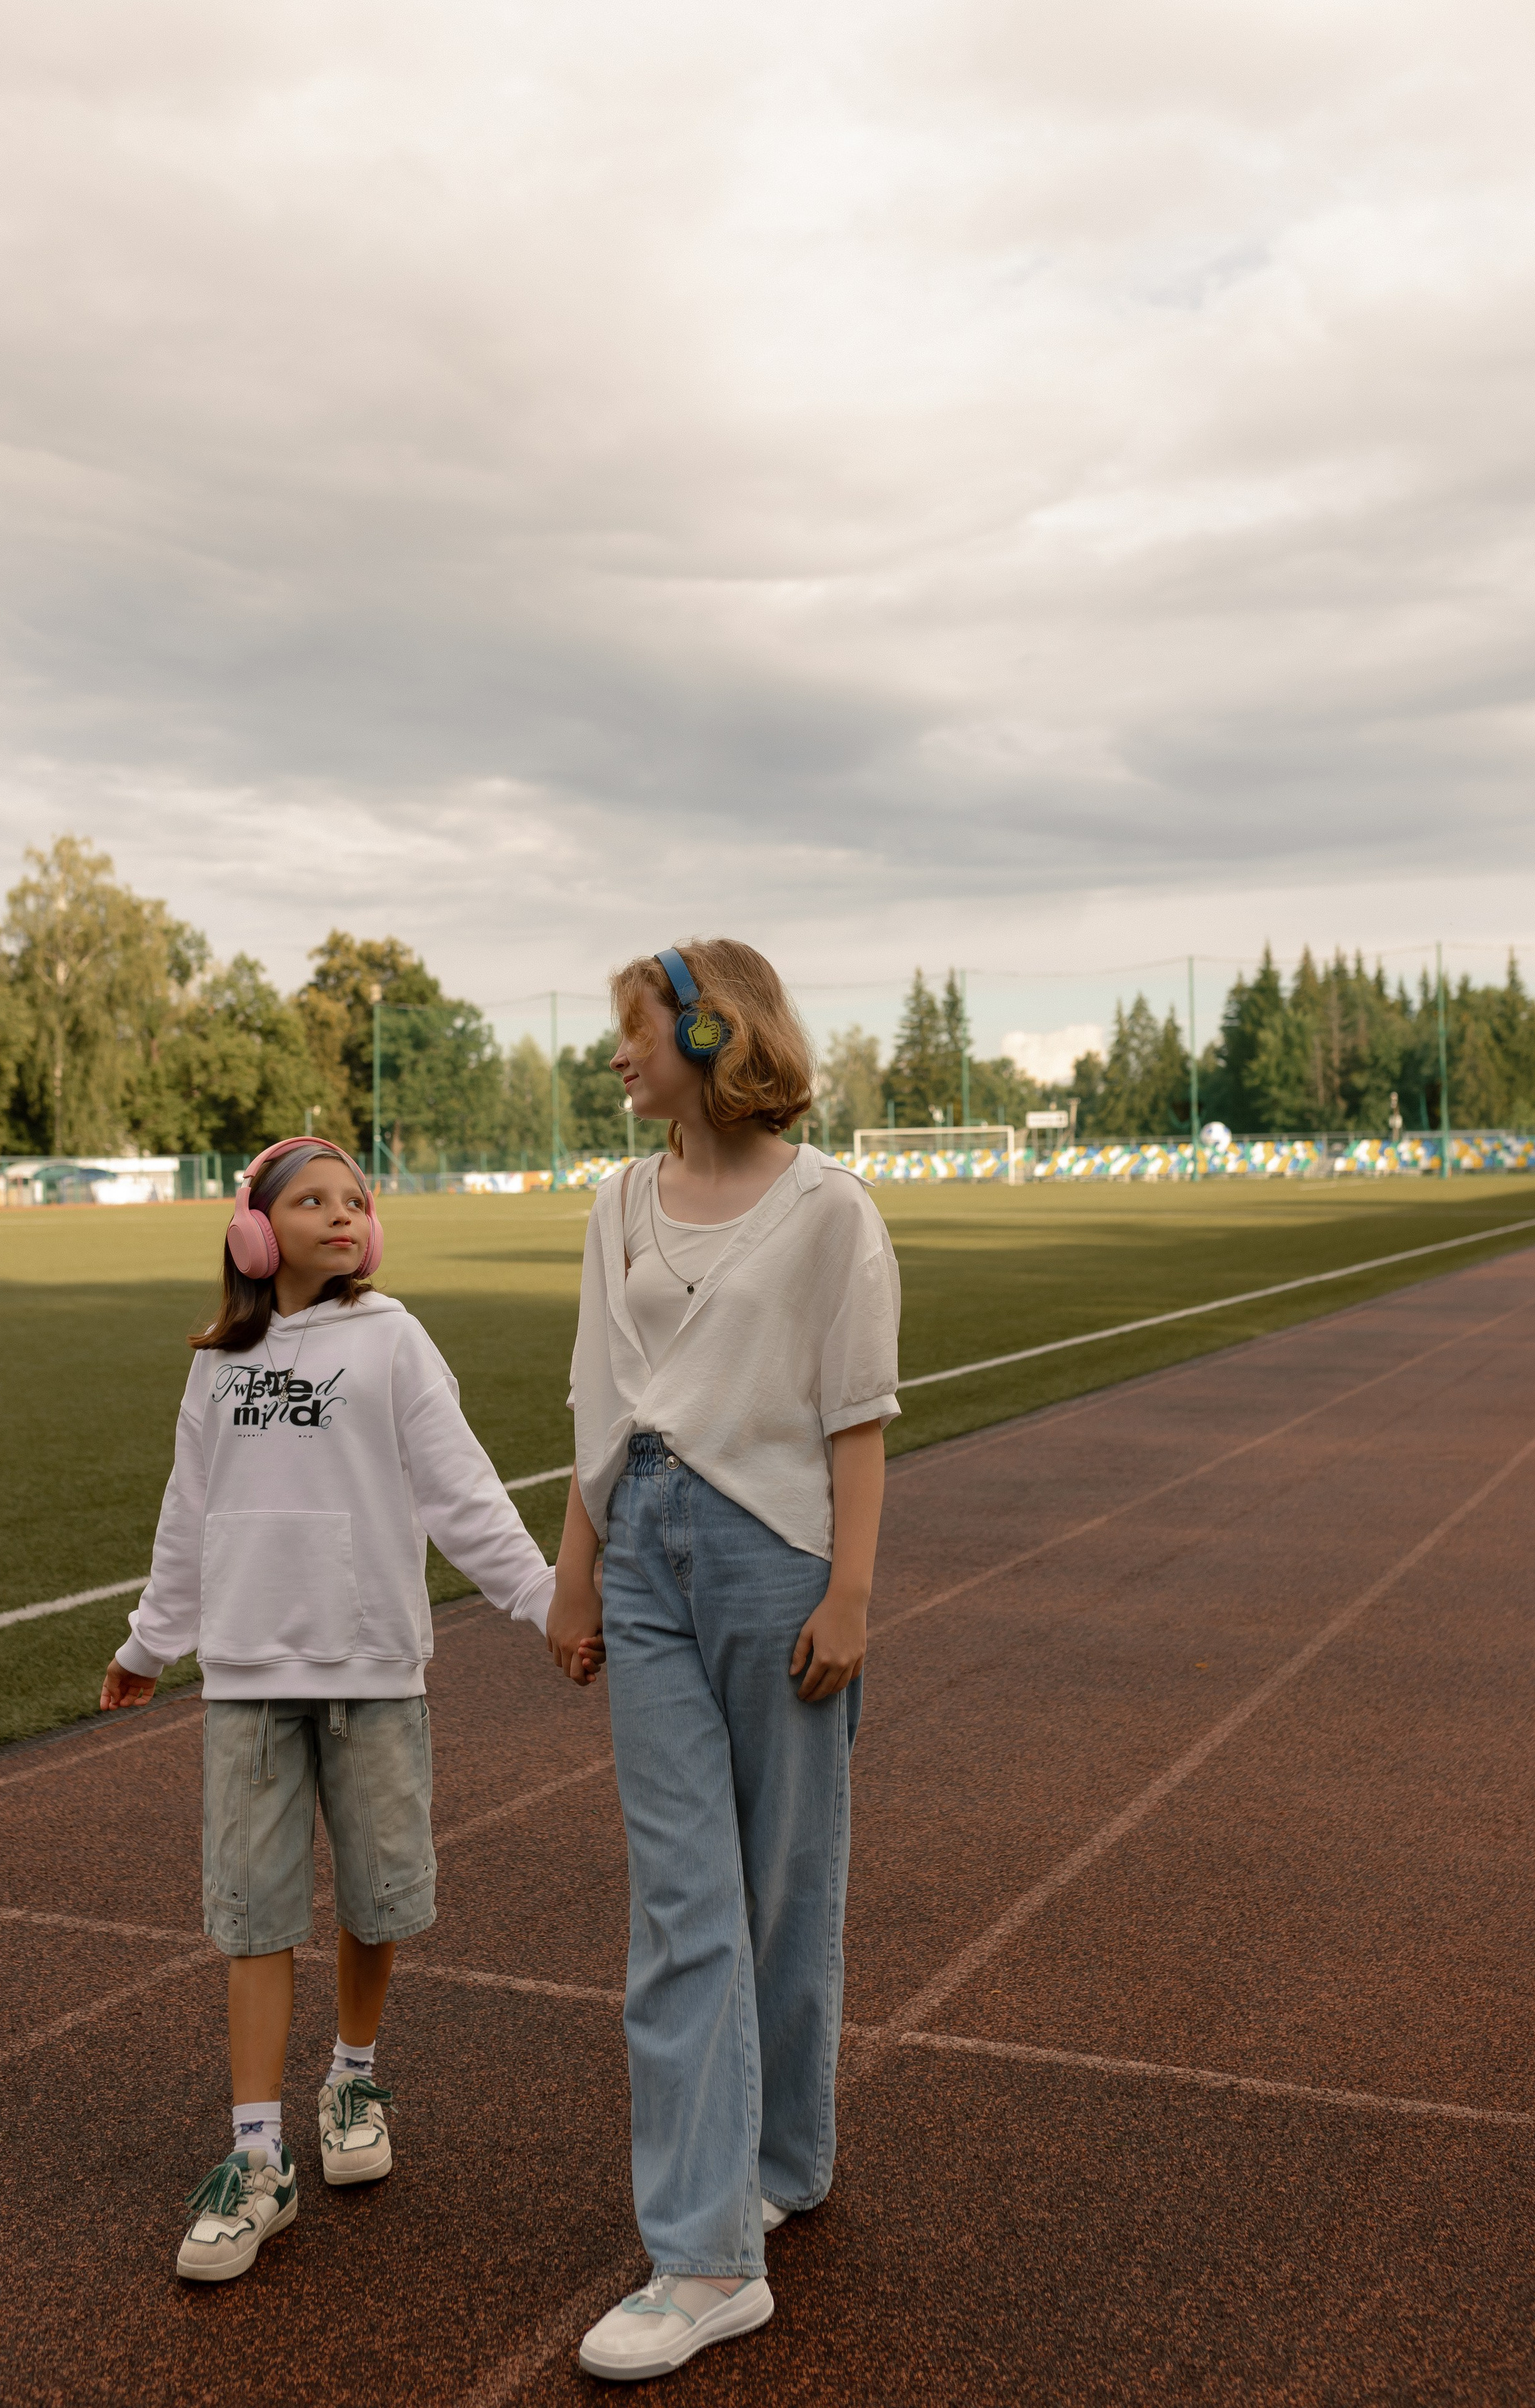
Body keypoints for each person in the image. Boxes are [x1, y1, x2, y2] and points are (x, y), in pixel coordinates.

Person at [99, 1137, 556, 2283]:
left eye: (356, 1201)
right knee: (252, 1915)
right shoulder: (217, 1364)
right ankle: (258, 2160)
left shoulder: (392, 1338)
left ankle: (351, 2075)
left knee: (376, 1892)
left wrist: (544, 1600)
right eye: (312, 1201)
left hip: (371, 1669)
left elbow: (461, 1487)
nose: (343, 1216)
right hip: (248, 1678)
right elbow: (185, 1522)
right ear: (255, 1231)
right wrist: (151, 1645)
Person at [546, 943, 900, 2383]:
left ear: (710, 1030)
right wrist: (576, 1575)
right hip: (641, 1556)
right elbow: (595, 1393)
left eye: (633, 1031)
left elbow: (856, 1415)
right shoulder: (615, 1201)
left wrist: (855, 1594)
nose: (615, 1056)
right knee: (682, 1903)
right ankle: (703, 2257)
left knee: (782, 1883)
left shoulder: (829, 1214)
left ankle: (784, 2159)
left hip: (778, 1564)